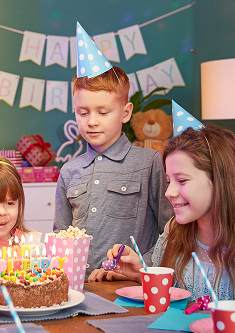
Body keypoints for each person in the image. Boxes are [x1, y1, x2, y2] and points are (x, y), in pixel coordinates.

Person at [101, 125, 235, 313]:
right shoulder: (173, 232)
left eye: (182, 180)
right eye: (169, 181)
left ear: (220, 180)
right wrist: (141, 273)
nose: (169, 192)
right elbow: (168, 298)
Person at [56, 63, 173, 280]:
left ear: (125, 112)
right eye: (83, 112)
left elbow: (171, 231)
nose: (92, 121)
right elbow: (61, 236)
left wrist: (142, 265)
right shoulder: (69, 171)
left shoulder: (149, 163)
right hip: (78, 286)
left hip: (131, 287)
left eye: (103, 112)